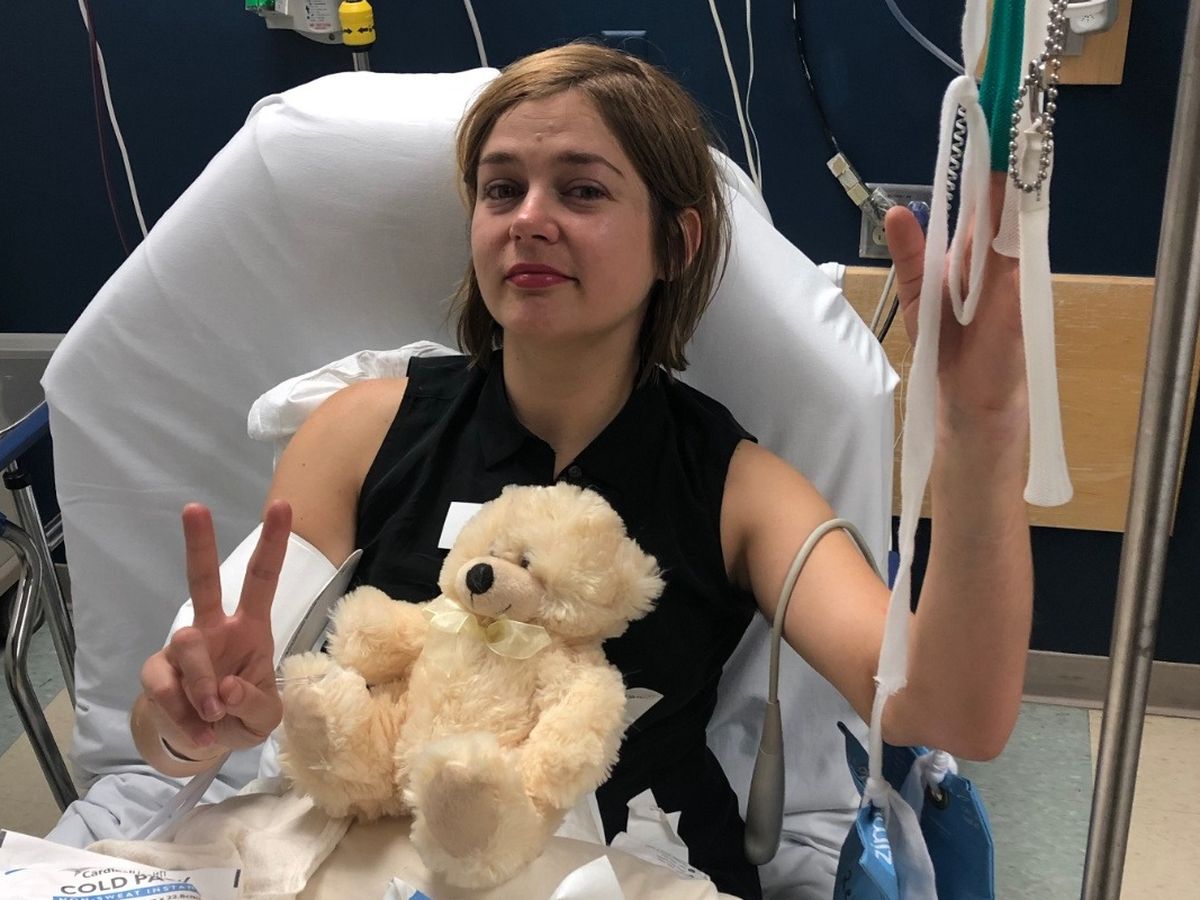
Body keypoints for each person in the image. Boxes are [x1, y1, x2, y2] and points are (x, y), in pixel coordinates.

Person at [130, 42, 1032, 898]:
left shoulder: (740, 492)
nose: (528, 218)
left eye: (583, 190)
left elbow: (947, 711)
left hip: (630, 869)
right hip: (384, 863)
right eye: (501, 190)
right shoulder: (363, 430)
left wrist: (982, 431)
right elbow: (178, 727)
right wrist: (189, 722)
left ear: (676, 243)